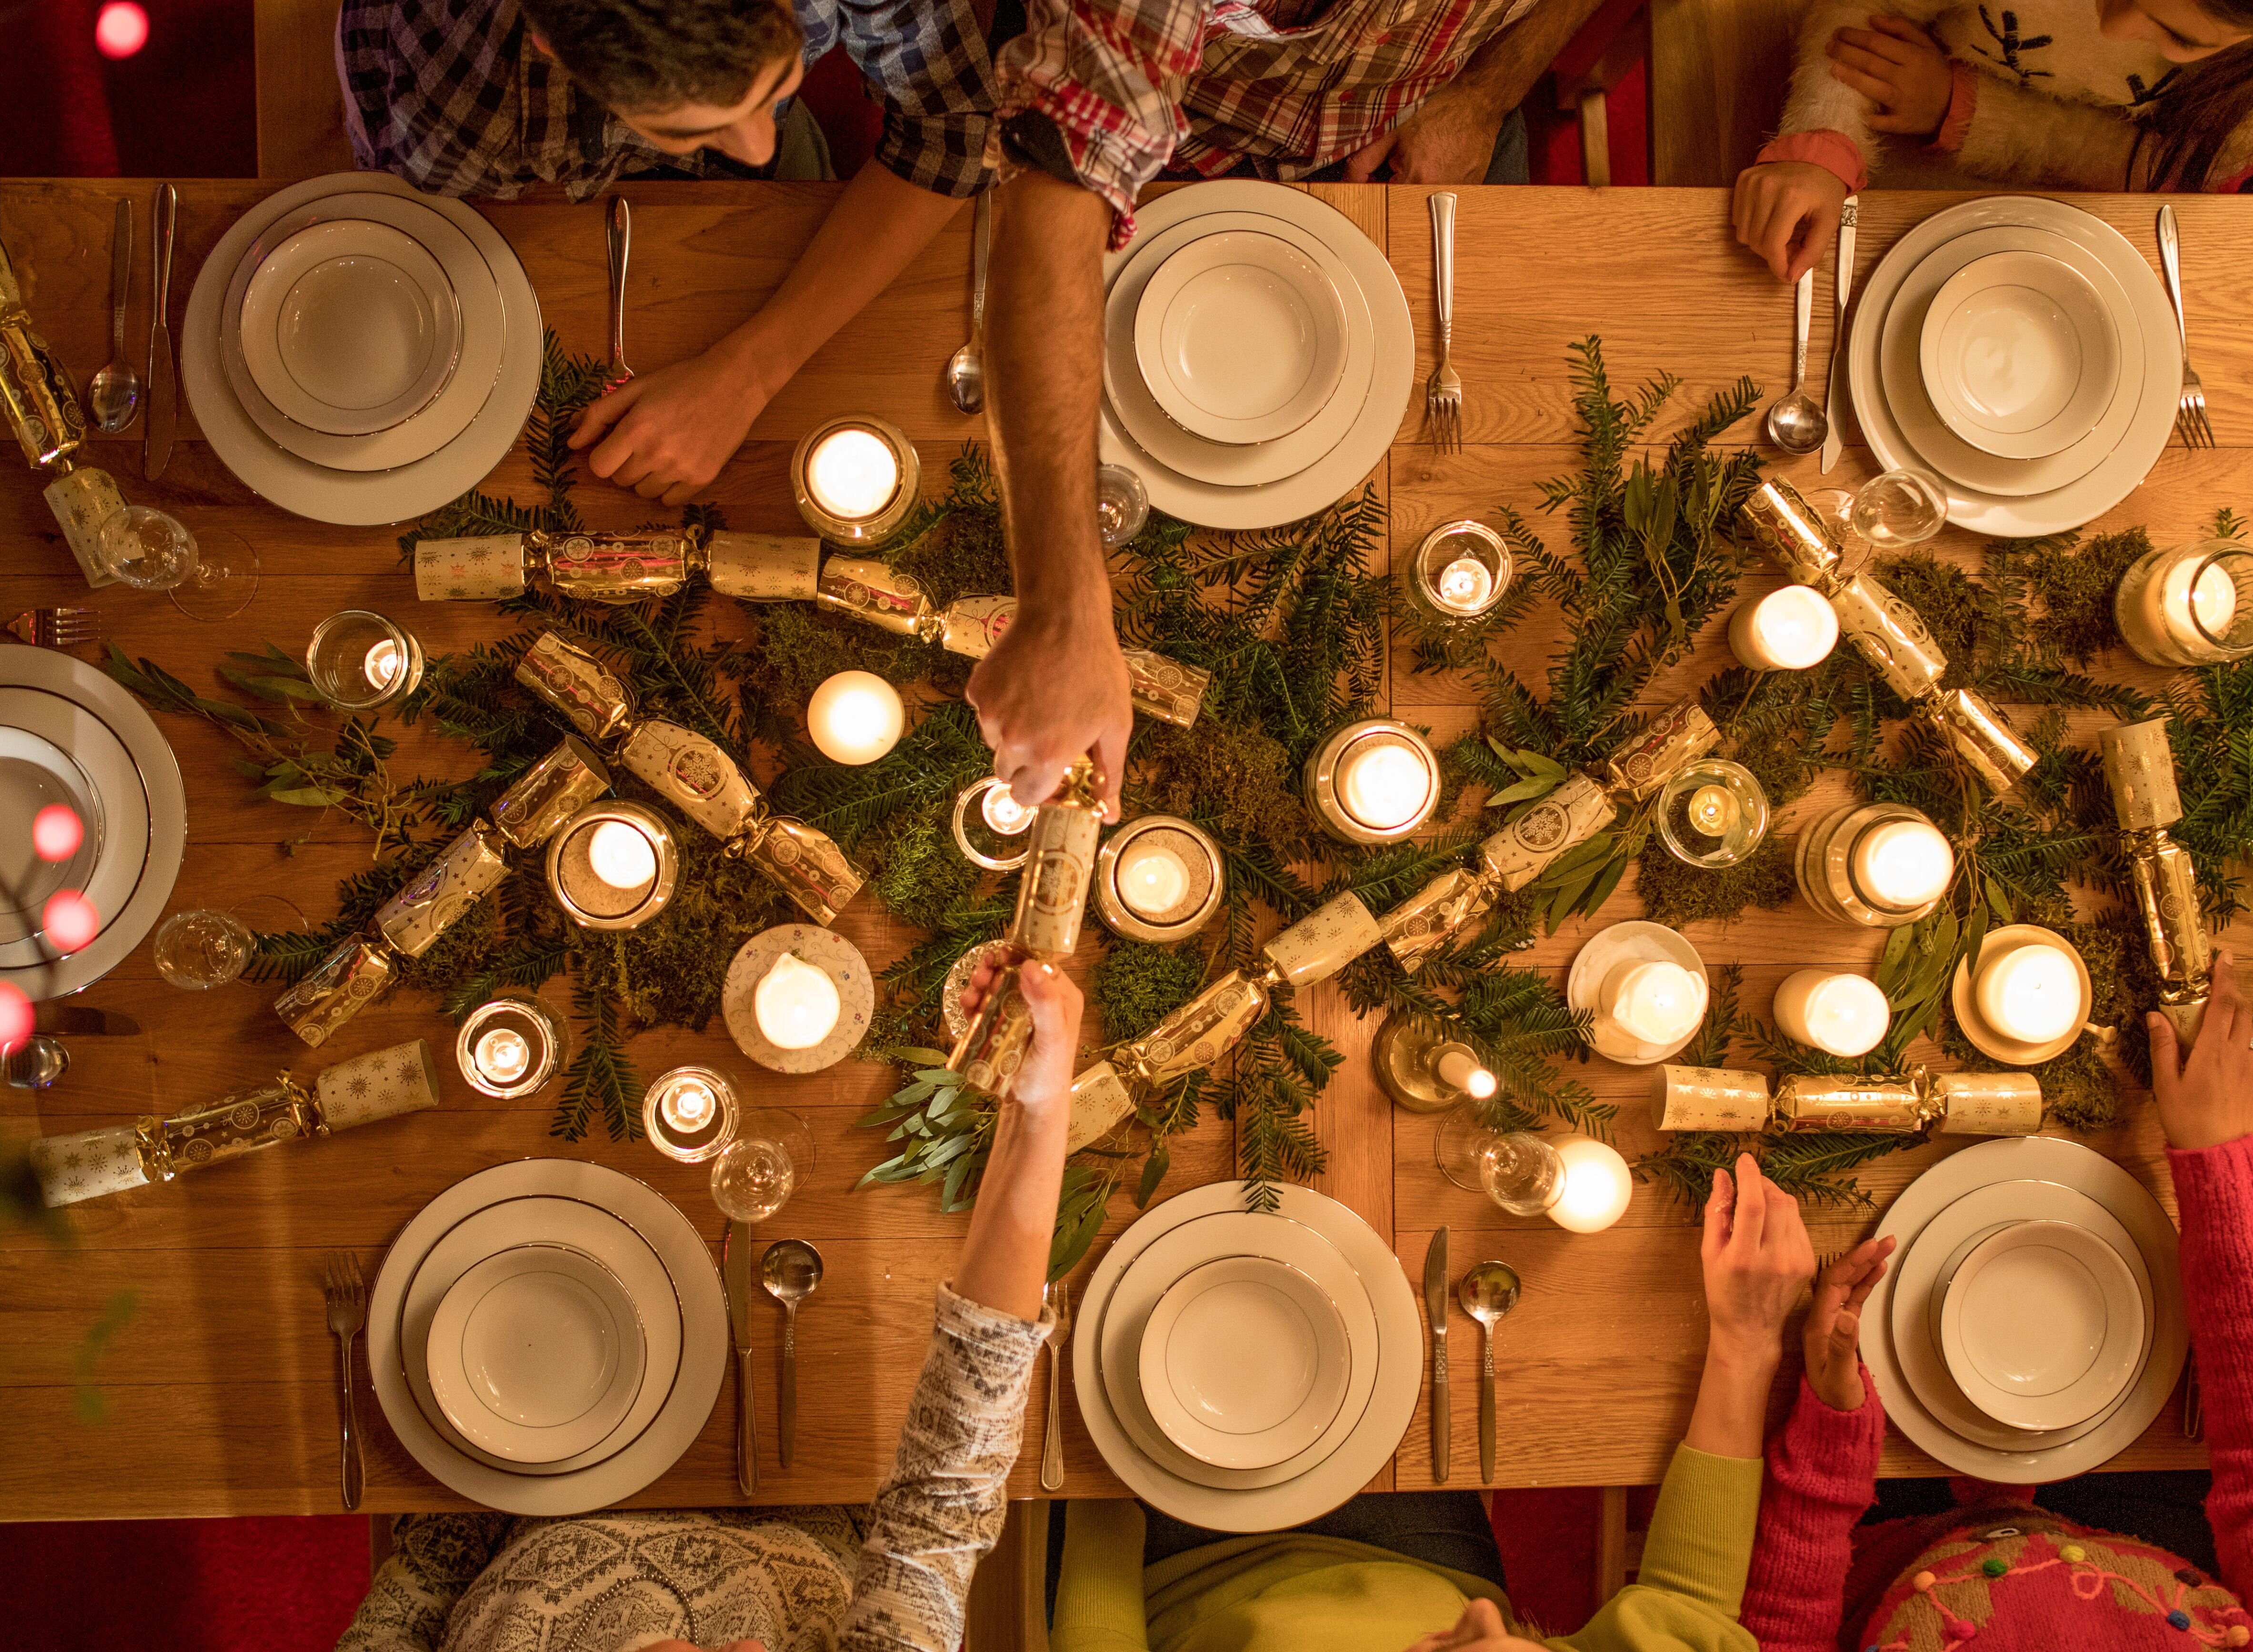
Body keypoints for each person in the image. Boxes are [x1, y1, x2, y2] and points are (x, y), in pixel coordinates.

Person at [972, 0, 1628, 819]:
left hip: (1415, 119)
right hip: (1172, 147)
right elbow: (1058, 192)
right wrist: (1065, 613)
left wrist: (1488, 90)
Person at [332, 958, 1083, 1652]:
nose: (755, 1648)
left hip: (522, 1486)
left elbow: (417, 1593)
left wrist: (471, 1476)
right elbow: (947, 1489)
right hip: (811, 1491)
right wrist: (1040, 1105)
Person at [1740, 954, 2253, 1650]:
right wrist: (2218, 1158)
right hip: (2136, 1527)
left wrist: (1829, 1438)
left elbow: (1782, 1628)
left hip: (1881, 1543)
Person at [1048, 1153, 1817, 1651]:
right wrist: (1748, 1344)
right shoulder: (1471, 1609)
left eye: (1451, 1649)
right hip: (1415, 1543)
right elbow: (1688, 1612)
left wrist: (1107, 1449)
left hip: (1179, 1555)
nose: (1491, 1615)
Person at [340, 0, 1001, 508]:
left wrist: (748, 376)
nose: (759, 150)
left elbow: (952, 134)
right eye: (699, 127)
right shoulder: (457, 111)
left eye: (774, 84)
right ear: (554, 51)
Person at [1733, 0, 2253, 281]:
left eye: (2181, 39)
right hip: (1897, 124)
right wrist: (1822, 137)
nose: (2112, 25)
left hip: (2087, 198)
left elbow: (2158, 167)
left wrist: (1964, 109)